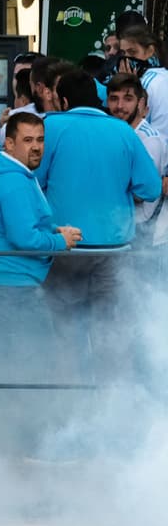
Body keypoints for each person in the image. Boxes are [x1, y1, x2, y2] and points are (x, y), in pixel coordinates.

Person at [35, 70, 161, 379]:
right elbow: (151, 189)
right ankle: (111, 411)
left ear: (63, 100)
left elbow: (31, 180)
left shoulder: (50, 126)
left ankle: (67, 408)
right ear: (99, 98)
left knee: (63, 336)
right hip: (115, 253)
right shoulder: (123, 132)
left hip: (64, 248)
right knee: (112, 337)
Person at [0, 112, 81, 365]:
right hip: (11, 287)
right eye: (27, 140)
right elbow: (24, 239)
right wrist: (61, 242)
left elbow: (22, 226)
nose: (36, 147)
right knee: (35, 367)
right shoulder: (13, 181)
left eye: (40, 140)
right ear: (9, 143)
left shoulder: (11, 174)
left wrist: (53, 231)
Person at [106, 72, 168, 249]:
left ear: (140, 104)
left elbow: (141, 194)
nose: (120, 106)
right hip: (121, 227)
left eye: (128, 99)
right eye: (113, 98)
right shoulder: (116, 133)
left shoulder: (149, 140)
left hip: (141, 233)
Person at [117, 25, 168, 131]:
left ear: (149, 51)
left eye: (132, 52)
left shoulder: (147, 83)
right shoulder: (163, 75)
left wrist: (128, 85)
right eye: (123, 53)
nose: (126, 58)